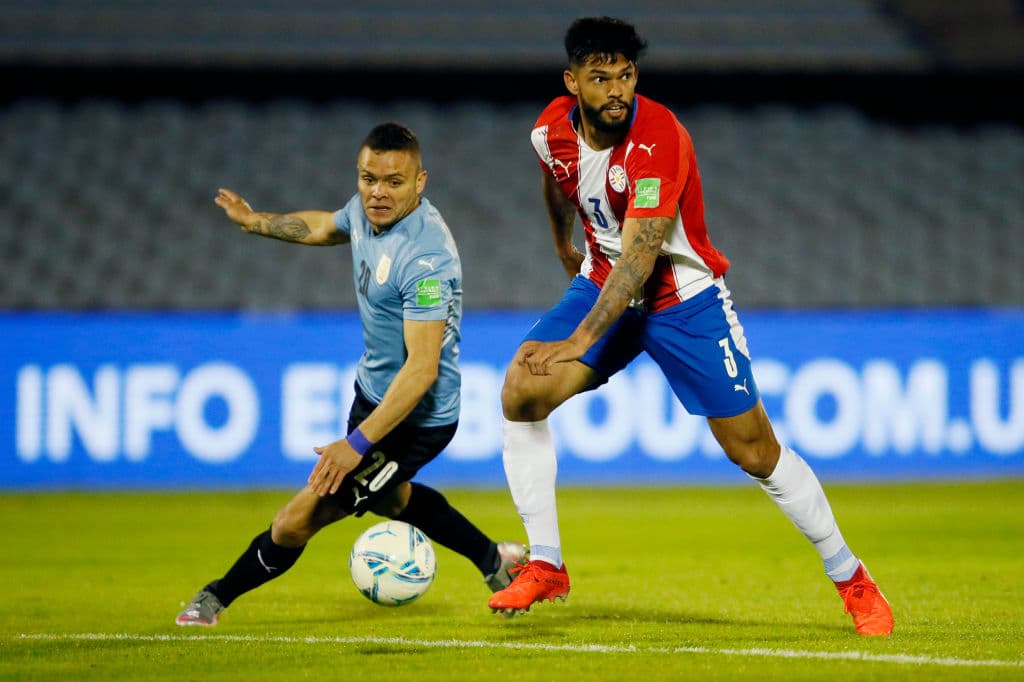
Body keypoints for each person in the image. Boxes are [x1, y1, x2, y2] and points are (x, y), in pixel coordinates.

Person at [486, 17, 894, 637]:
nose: (617, 89)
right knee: (519, 392)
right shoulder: (549, 130)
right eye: (601, 78)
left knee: (755, 451)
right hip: (601, 282)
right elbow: (557, 178)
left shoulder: (658, 138)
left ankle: (853, 579)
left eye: (626, 75)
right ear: (573, 83)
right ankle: (547, 563)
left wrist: (577, 341)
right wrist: (562, 240)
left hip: (682, 299)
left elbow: (641, 258)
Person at [176, 122, 526, 626]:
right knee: (394, 497)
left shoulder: (426, 259)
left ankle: (213, 599)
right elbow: (325, 226)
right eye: (368, 179)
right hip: (373, 393)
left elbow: (423, 369)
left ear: (420, 182)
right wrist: (256, 222)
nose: (377, 192)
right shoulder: (366, 211)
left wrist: (357, 444)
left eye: (393, 182)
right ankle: (495, 560)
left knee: (298, 518)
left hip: (417, 418)